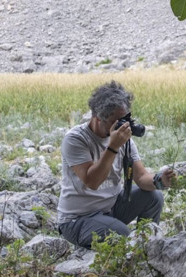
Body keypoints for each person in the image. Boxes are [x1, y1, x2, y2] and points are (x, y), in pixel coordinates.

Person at [57, 81, 175, 249]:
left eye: (127, 119)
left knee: (153, 196)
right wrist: (113, 147)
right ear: (98, 119)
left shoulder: (124, 140)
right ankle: (130, 251)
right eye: (118, 121)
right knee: (121, 234)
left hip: (111, 208)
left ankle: (147, 248)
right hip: (78, 219)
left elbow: (141, 178)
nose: (125, 126)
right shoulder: (76, 139)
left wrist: (160, 180)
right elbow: (92, 182)